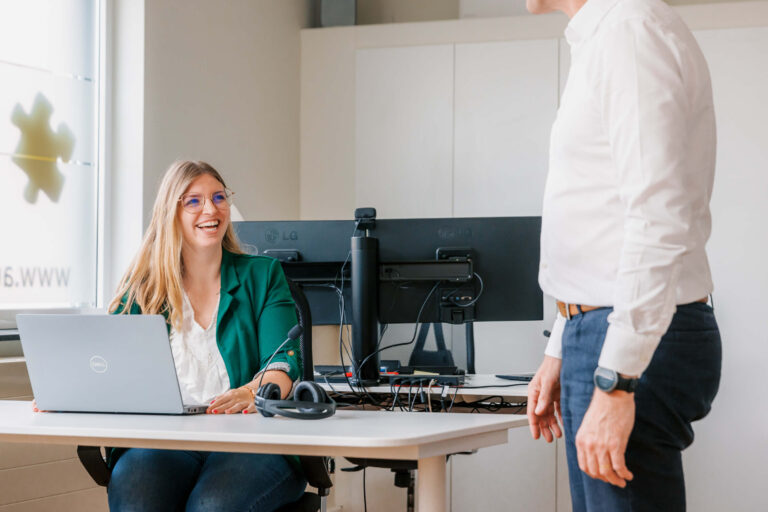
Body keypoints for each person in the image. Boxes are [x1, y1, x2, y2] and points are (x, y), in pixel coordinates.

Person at [525, 0, 722, 510]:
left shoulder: (630, 31)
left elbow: (659, 215)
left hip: (629, 341)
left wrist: (616, 381)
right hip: (599, 333)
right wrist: (561, 345)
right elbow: (601, 222)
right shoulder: (605, 37)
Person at [104, 160, 306, 511]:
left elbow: (283, 365)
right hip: (164, 440)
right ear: (171, 213)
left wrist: (250, 391)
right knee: (136, 495)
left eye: (218, 197)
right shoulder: (143, 289)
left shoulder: (263, 275)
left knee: (211, 505)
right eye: (193, 201)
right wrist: (67, 396)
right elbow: (108, 368)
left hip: (250, 441)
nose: (211, 209)